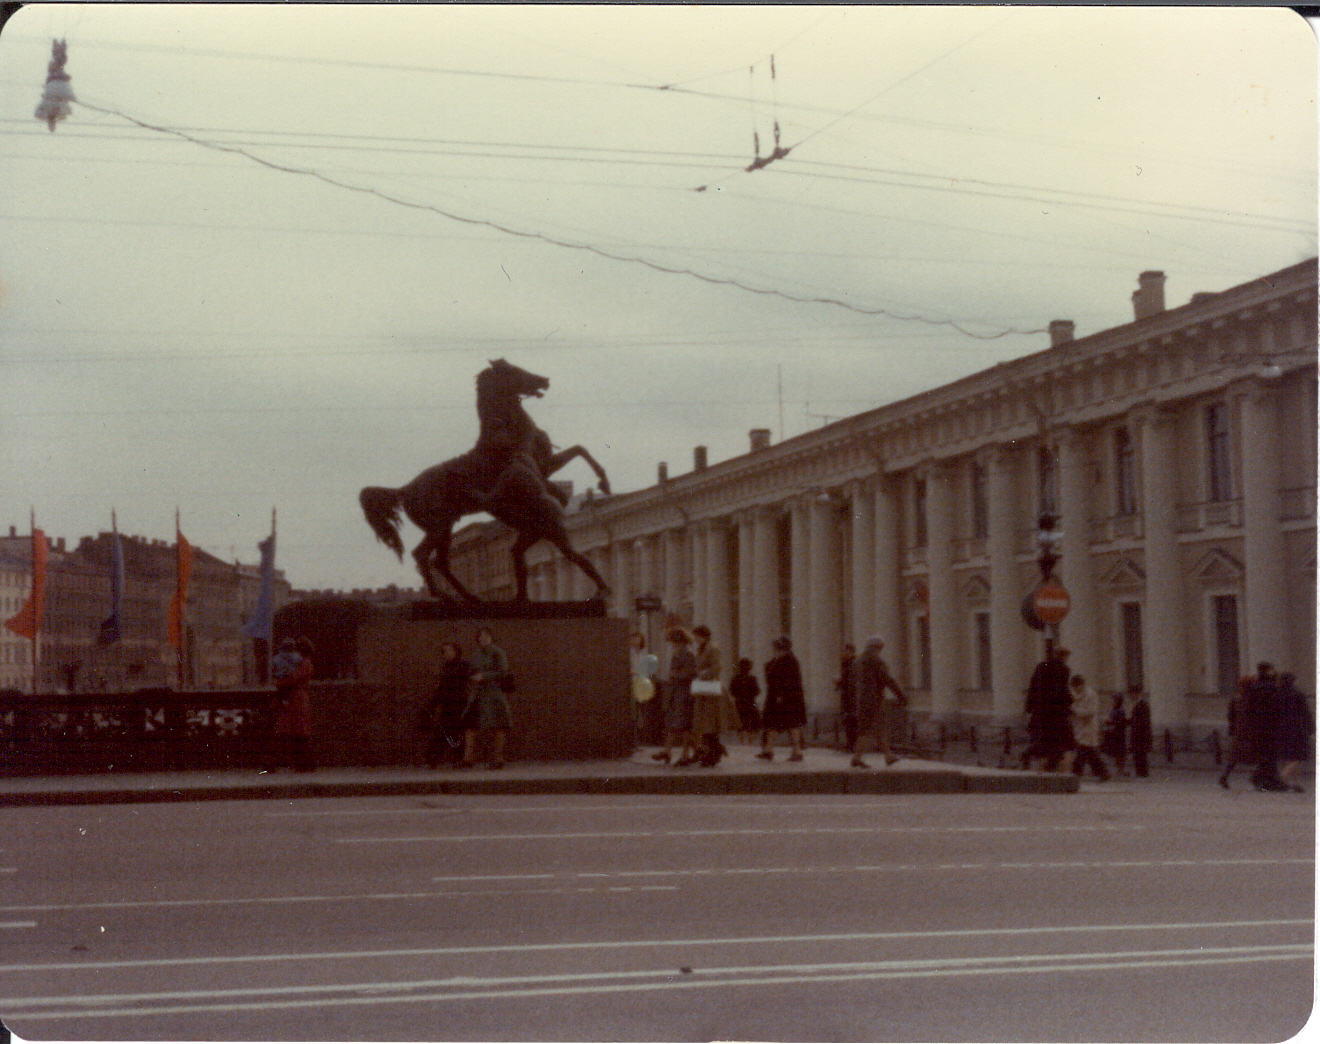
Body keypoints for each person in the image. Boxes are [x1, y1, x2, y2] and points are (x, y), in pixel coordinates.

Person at [1219, 666, 1287, 792]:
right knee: (1260, 755)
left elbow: (1231, 716)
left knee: (1236, 756)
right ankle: (1259, 778)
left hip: (1240, 731)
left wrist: (1233, 728)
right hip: (1251, 731)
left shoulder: (1237, 698)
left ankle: (1225, 776)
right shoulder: (1249, 697)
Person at [849, 636, 906, 769]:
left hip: (861, 699)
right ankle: (857, 758)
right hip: (874, 700)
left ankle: (888, 756)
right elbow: (887, 679)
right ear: (878, 648)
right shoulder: (877, 661)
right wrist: (900, 695)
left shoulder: (858, 661)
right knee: (868, 729)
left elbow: (852, 682)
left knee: (877, 728)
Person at [460, 627, 512, 769]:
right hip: (478, 694)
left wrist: (485, 676)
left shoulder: (497, 652)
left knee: (497, 726)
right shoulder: (476, 654)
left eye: (486, 636)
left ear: (491, 637)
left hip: (494, 695)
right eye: (481, 636)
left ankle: (498, 759)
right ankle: (468, 758)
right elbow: (472, 669)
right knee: (470, 726)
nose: (483, 639)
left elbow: (503, 671)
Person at [267, 637, 315, 773]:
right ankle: (302, 764)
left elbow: (292, 679)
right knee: (297, 733)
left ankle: (303, 764)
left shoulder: (304, 664)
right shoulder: (302, 663)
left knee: (289, 733)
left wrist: (278, 683)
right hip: (296, 700)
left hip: (295, 700)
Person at [1023, 647, 1074, 771]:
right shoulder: (1063, 669)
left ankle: (1028, 755)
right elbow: (1061, 690)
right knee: (1060, 741)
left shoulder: (1041, 666)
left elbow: (1033, 687)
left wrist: (1029, 708)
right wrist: (1070, 704)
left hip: (1040, 711)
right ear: (1064, 656)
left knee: (1043, 740)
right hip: (1056, 713)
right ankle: (1050, 765)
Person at [653, 627, 698, 766]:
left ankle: (683, 754)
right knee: (674, 724)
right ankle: (669, 751)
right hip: (676, 693)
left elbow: (691, 673)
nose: (671, 644)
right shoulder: (678, 653)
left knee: (683, 725)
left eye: (672, 641)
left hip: (683, 694)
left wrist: (675, 675)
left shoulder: (687, 654)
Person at [425, 641, 472, 769]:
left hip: (458, 704)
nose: (446, 654)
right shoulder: (447, 667)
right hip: (448, 704)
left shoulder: (462, 665)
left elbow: (454, 684)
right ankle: (433, 758)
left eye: (448, 650)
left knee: (455, 732)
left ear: (456, 651)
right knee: (443, 732)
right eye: (444, 651)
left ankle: (455, 759)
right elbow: (442, 687)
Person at [759, 636, 806, 762]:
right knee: (773, 725)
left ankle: (797, 751)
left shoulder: (789, 662)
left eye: (777, 648)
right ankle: (768, 750)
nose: (775, 651)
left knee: (791, 725)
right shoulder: (779, 661)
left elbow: (787, 681)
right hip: (778, 698)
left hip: (786, 699)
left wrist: (781, 696)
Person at [691, 625, 728, 767]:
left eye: (697, 636)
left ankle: (713, 753)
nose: (695, 639)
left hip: (711, 689)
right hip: (703, 689)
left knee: (710, 722)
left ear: (704, 636)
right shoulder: (701, 649)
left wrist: (702, 674)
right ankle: (712, 751)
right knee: (704, 723)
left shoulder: (712, 648)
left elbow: (716, 667)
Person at [1276, 672, 1313, 793]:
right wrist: (1311, 727)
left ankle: (1297, 783)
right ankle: (1281, 779)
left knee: (1290, 757)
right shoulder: (1298, 694)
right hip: (1297, 729)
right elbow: (1305, 713)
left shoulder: (1278, 694)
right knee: (1300, 756)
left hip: (1282, 729)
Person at [1067, 674, 1110, 781]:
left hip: (1088, 728)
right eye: (1073, 687)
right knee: (1090, 753)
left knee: (1083, 751)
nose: (1075, 689)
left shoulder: (1091, 695)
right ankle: (1102, 773)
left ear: (1081, 685)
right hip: (1080, 728)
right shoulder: (1076, 695)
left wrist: (1074, 711)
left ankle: (1076, 774)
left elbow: (1091, 712)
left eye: (1076, 686)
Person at [629, 632, 659, 748]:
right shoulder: (629, 653)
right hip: (633, 682)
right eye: (633, 638)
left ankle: (637, 740)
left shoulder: (641, 653)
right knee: (633, 712)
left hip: (641, 683)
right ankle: (632, 741)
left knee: (639, 712)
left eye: (638, 639)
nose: (636, 641)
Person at [729, 658, 761, 744]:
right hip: (750, 703)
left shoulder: (735, 678)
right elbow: (757, 691)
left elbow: (732, 691)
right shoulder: (752, 678)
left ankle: (741, 742)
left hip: (739, 703)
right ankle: (750, 742)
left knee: (740, 723)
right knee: (750, 724)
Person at [1100, 692, 1129, 777]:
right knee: (1117, 755)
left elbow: (1118, 723)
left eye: (1112, 700)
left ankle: (1120, 771)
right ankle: (1120, 771)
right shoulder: (1115, 710)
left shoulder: (1119, 711)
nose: (1111, 702)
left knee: (1119, 754)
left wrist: (1108, 721)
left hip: (1118, 736)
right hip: (1115, 735)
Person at [837, 643, 858, 752]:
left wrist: (840, 682)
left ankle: (852, 746)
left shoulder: (853, 664)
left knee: (851, 721)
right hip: (847, 696)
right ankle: (850, 744)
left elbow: (852, 682)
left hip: (851, 697)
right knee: (848, 721)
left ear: (850, 652)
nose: (842, 653)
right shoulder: (846, 664)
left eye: (844, 651)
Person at [1128, 685, 1152, 778]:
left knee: (1141, 754)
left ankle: (1142, 773)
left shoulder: (1142, 704)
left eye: (1132, 694)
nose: (1131, 696)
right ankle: (1140, 772)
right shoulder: (1138, 704)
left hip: (1141, 734)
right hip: (1138, 733)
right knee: (1138, 754)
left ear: (1136, 694)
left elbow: (1143, 721)